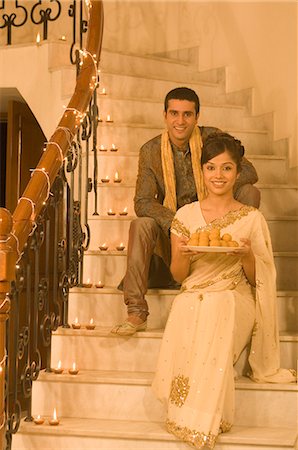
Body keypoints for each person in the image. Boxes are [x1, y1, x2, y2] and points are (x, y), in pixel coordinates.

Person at [151, 132, 296, 449]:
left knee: (220, 305)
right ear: (202, 171)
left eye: (227, 168)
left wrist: (246, 256)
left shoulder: (251, 219)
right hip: (195, 291)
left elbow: (260, 277)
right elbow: (179, 275)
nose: (219, 175)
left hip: (234, 295)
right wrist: (183, 256)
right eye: (212, 168)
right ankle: (189, 410)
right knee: (189, 304)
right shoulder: (185, 216)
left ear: (238, 172)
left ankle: (202, 419)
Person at [112, 87, 260, 336]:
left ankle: (235, 266)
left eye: (187, 114)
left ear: (197, 117)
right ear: (165, 115)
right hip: (175, 235)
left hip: (217, 228)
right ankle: (136, 311)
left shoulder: (212, 138)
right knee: (141, 224)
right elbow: (143, 201)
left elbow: (249, 172)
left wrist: (217, 191)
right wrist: (180, 222)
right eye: (174, 114)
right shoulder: (151, 151)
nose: (180, 121)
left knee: (250, 194)